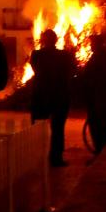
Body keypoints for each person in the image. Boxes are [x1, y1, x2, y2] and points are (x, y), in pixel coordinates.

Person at [30, 28, 75, 166]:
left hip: (41, 96)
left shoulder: (36, 55)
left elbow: (36, 69)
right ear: (56, 40)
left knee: (38, 128)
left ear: (43, 40)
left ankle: (37, 157)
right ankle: (56, 158)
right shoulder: (65, 55)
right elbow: (71, 71)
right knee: (58, 129)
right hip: (60, 96)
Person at [82, 34, 106, 154]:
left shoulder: (102, 57)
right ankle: (102, 151)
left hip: (100, 98)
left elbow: (102, 77)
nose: (91, 46)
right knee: (101, 127)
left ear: (98, 44)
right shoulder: (102, 56)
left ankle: (101, 153)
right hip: (98, 97)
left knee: (100, 127)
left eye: (92, 44)